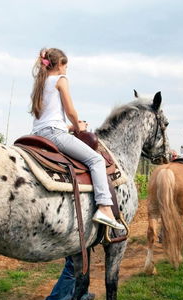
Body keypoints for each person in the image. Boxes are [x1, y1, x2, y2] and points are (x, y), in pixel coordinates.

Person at [30, 47, 123, 230]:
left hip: (38, 133)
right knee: (96, 159)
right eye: (66, 66)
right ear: (60, 65)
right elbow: (70, 110)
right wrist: (78, 125)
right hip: (54, 133)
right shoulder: (60, 79)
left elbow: (49, 117)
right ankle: (104, 207)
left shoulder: (40, 84)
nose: (66, 70)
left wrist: (70, 127)